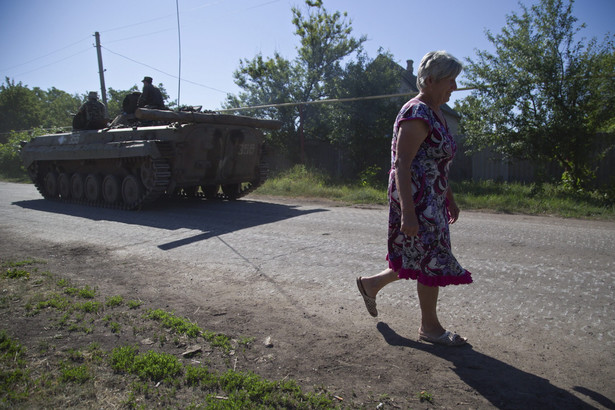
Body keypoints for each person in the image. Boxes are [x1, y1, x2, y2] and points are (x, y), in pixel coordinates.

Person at [356, 50, 472, 346]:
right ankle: (430, 329)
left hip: (432, 199)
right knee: (431, 260)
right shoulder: (416, 112)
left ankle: (371, 284)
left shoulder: (436, 114)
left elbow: (437, 163)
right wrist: (408, 212)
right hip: (417, 200)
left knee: (421, 257)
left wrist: (450, 198)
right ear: (430, 80)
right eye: (450, 81)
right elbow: (403, 163)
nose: (454, 88)